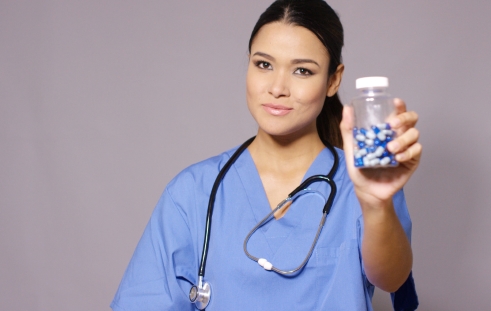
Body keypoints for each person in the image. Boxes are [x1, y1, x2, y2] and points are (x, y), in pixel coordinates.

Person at [111, 0, 421, 310]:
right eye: (264, 64)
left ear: (333, 80)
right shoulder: (193, 191)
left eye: (302, 70)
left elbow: (390, 279)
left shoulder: (366, 179)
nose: (277, 87)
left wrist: (376, 205)